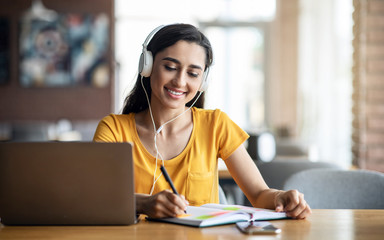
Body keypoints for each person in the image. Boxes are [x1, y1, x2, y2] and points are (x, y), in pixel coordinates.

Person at [93, 23, 311, 219]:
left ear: (203, 81)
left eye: (193, 73)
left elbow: (259, 194)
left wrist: (281, 197)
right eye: (170, 67)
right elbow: (93, 198)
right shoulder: (113, 129)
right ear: (147, 66)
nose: (180, 81)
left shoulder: (216, 125)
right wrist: (142, 203)